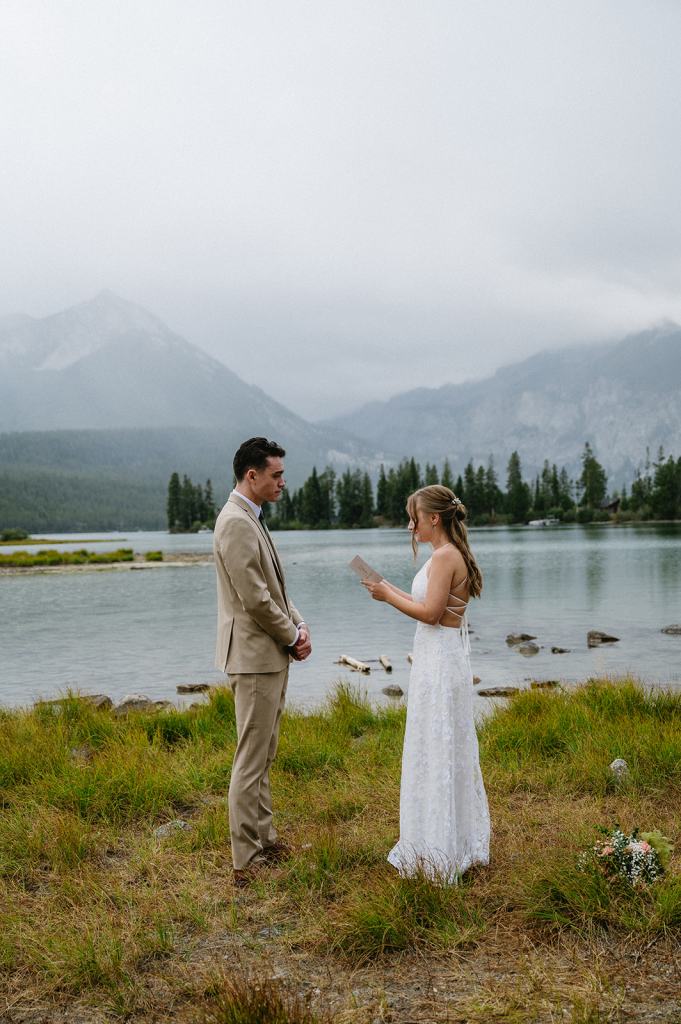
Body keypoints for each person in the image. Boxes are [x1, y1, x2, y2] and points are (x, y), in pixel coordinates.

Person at [362, 485, 489, 884]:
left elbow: (431, 614)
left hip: (438, 661)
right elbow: (426, 606)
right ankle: (441, 838)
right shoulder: (446, 555)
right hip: (439, 658)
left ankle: (439, 847)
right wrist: (387, 589)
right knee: (437, 745)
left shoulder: (445, 557)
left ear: (434, 518)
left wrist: (387, 598)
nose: (410, 524)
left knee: (438, 746)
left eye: (413, 517)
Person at [213, 437, 311, 886]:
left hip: (268, 654)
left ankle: (265, 840)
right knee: (250, 758)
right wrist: (291, 636)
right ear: (251, 475)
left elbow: (274, 590)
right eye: (276, 475)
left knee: (265, 752)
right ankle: (244, 860)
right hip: (253, 658)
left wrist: (299, 624)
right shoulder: (234, 522)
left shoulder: (251, 518)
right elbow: (253, 598)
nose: (282, 482)